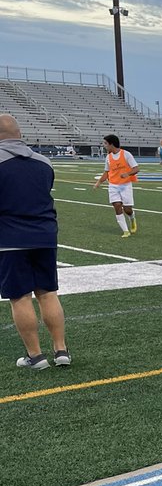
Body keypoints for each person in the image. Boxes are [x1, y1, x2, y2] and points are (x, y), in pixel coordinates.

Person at [0, 114, 70, 369]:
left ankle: (35, 356)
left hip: (10, 237)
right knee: (48, 293)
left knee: (20, 297)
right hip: (45, 234)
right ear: (19, 134)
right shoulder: (44, 162)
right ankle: (61, 350)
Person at [93, 134, 139, 236]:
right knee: (117, 206)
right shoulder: (108, 157)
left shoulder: (126, 154)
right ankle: (125, 231)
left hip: (125, 185)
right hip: (113, 185)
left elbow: (136, 169)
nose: (104, 145)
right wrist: (99, 182)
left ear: (111, 144)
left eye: (105, 143)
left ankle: (132, 218)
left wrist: (127, 174)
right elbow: (106, 172)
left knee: (127, 209)